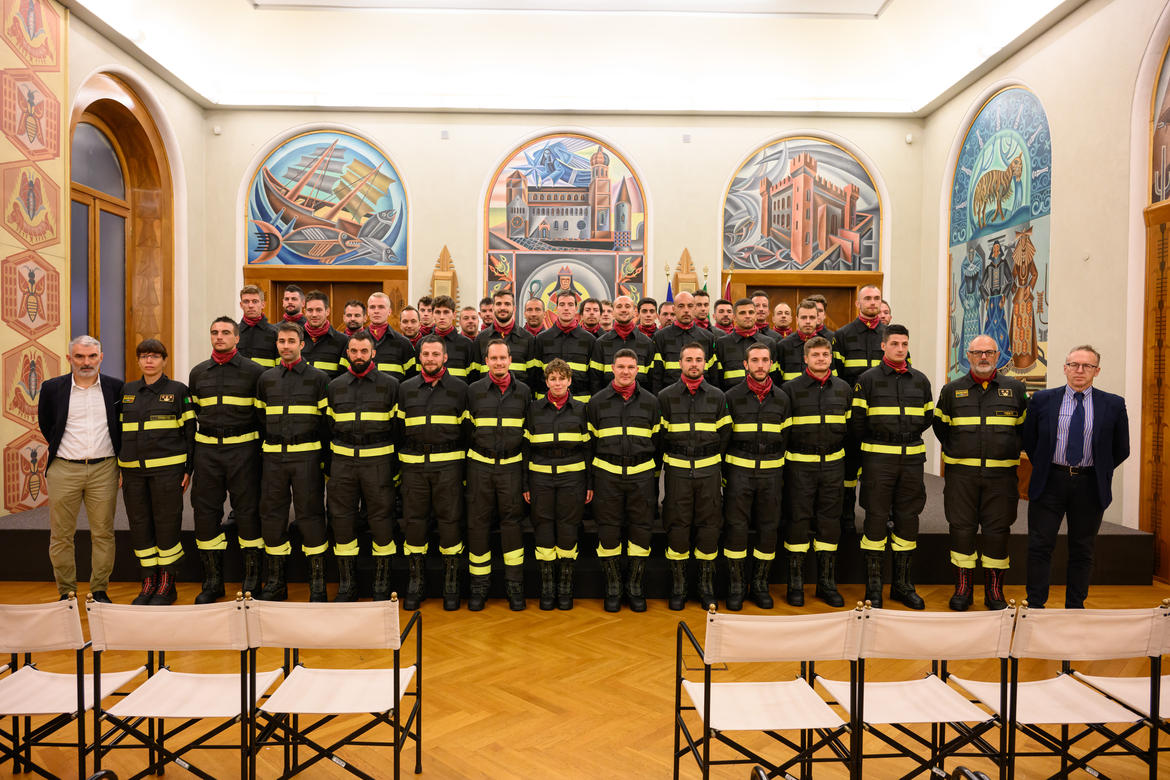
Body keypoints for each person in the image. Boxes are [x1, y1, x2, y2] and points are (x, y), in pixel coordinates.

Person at [1022, 345, 1130, 609]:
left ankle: (1075, 607)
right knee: (1040, 545)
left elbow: (1121, 448)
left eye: (1087, 366)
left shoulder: (1113, 404)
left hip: (1089, 485)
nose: (1079, 371)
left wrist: (1097, 469)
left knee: (1082, 549)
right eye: (1074, 365)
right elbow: (1030, 440)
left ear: (1097, 371)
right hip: (1050, 482)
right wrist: (1048, 467)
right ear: (1065, 368)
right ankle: (1035, 605)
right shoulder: (1042, 400)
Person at [933, 335, 1027, 611]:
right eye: (977, 353)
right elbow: (941, 428)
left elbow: (1025, 429)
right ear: (968, 356)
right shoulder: (952, 391)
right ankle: (963, 590)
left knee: (998, 532)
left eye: (988, 353)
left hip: (1002, 479)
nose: (983, 357)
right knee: (961, 530)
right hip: (961, 478)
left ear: (997, 356)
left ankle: (994, 591)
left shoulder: (1015, 389)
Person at [850, 324, 933, 610]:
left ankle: (902, 585)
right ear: (883, 346)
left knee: (908, 519)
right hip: (878, 460)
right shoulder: (867, 380)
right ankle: (873, 587)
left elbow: (926, 418)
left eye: (904, 344)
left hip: (911, 460)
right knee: (875, 519)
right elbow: (857, 422)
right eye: (895, 343)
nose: (900, 348)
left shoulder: (920, 380)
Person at [38, 335, 122, 602]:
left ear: (101, 358)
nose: (86, 362)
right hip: (64, 469)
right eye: (80, 356)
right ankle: (67, 592)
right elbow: (47, 425)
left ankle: (99, 590)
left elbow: (119, 427)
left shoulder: (116, 388)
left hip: (104, 469)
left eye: (91, 356)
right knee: (61, 535)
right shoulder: (52, 388)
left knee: (103, 533)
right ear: (69, 358)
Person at [188, 317, 266, 603]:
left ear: (237, 338)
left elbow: (261, 416)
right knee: (205, 514)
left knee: (247, 513)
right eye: (214, 333)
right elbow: (195, 413)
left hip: (244, 451)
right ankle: (212, 581)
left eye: (225, 333)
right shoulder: (198, 373)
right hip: (207, 452)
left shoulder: (254, 373)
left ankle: (252, 578)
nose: (219, 337)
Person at [256, 322, 331, 602]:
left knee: (310, 517)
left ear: (302, 344)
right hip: (274, 458)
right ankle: (276, 582)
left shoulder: (319, 379)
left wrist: (324, 461)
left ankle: (318, 584)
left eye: (291, 341)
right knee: (272, 518)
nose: (285, 346)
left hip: (307, 458)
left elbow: (326, 424)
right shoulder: (266, 379)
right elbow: (260, 419)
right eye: (281, 341)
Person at [118, 339, 195, 605]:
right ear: (138, 360)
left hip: (168, 473)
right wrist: (119, 465)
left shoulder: (177, 391)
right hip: (132, 474)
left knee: (167, 526)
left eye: (154, 356)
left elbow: (190, 433)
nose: (148, 360)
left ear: (164, 360)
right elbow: (118, 433)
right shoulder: (127, 391)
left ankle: (166, 583)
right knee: (140, 527)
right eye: (143, 356)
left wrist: (189, 469)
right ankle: (148, 580)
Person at [326, 330, 400, 602]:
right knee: (342, 521)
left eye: (364, 351)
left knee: (381, 521)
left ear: (373, 353)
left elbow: (398, 429)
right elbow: (328, 428)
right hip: (343, 463)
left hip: (378, 463)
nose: (359, 356)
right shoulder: (334, 386)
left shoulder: (391, 385)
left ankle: (382, 584)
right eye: (354, 351)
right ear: (347, 353)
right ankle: (348, 584)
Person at [399, 336, 470, 610]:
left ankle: (450, 584)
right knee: (414, 523)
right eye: (425, 353)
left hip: (448, 466)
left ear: (445, 358)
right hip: (414, 466)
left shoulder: (460, 389)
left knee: (450, 523)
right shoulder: (405, 389)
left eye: (435, 354)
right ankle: (416, 584)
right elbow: (398, 430)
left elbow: (467, 432)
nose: (430, 358)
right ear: (420, 357)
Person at [588, 349, 662, 612]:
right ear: (612, 369)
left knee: (641, 530)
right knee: (608, 531)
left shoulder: (652, 402)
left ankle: (635, 587)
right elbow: (591, 444)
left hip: (641, 476)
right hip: (607, 476)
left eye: (631, 367)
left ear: (638, 370)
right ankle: (613, 587)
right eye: (621, 367)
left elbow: (657, 441)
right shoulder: (596, 403)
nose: (626, 371)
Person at [781, 336, 851, 608]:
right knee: (798, 521)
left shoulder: (844, 389)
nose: (821, 359)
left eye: (825, 354)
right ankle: (795, 583)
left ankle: (826, 583)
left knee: (829, 523)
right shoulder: (790, 390)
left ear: (831, 357)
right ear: (806, 359)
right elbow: (784, 431)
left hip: (833, 466)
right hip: (800, 466)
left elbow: (850, 430)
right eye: (816, 355)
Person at [659, 343, 730, 609]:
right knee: (677, 526)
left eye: (698, 359)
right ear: (680, 363)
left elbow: (725, 435)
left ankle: (705, 586)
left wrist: (708, 457)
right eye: (688, 359)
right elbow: (660, 437)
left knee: (709, 527)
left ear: (705, 364)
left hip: (708, 471)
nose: (694, 364)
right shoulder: (665, 397)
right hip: (677, 472)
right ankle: (679, 588)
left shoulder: (717, 396)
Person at [722, 342, 790, 610]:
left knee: (768, 528)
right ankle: (737, 586)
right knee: (736, 529)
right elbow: (725, 438)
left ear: (771, 364)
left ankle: (760, 585)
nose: (760, 365)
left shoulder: (783, 398)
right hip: (739, 473)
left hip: (771, 474)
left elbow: (785, 437)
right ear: (745, 365)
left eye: (765, 360)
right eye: (755, 360)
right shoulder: (730, 397)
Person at [466, 340, 532, 611]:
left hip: (512, 468)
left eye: (503, 358)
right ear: (486, 361)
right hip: (480, 467)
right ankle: (479, 588)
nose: (499, 363)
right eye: (493, 359)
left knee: (512, 526)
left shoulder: (524, 392)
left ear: (510, 359)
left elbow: (528, 437)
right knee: (478, 526)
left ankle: (514, 588)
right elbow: (464, 432)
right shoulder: (473, 391)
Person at [525, 359, 592, 610]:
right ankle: (547, 588)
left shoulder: (581, 409)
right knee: (543, 527)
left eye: (562, 378)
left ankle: (565, 587)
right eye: (552, 379)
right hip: (540, 479)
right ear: (546, 381)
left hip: (572, 479)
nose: (557, 383)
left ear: (570, 381)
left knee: (568, 527)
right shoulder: (533, 409)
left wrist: (589, 483)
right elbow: (525, 449)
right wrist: (525, 484)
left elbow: (588, 448)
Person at [832, 285, 886, 537]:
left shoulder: (889, 334)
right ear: (858, 303)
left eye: (877, 298)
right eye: (868, 298)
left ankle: (879, 516)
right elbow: (836, 378)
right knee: (849, 470)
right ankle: (846, 515)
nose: (873, 302)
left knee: (877, 472)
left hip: (882, 417)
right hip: (853, 416)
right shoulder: (842, 335)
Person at [533, 290, 596, 398]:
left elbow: (594, 378)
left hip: (580, 406)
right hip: (547, 407)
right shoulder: (541, 339)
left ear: (576, 309)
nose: (566, 308)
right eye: (562, 304)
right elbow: (535, 375)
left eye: (570, 304)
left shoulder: (589, 340)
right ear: (556, 308)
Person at [590, 294, 657, 392]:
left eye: (627, 306)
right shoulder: (601, 343)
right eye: (619, 306)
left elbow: (652, 380)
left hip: (638, 403)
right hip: (608, 402)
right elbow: (595, 380)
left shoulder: (647, 343)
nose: (623, 310)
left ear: (634, 312)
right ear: (613, 312)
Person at [651, 291, 714, 391]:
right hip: (670, 397)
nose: (686, 310)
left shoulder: (707, 337)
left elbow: (713, 374)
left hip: (701, 396)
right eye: (681, 306)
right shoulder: (660, 337)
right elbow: (656, 375)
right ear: (674, 309)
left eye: (690, 306)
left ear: (695, 308)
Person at [474, 288, 535, 384]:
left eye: (507, 304)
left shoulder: (528, 339)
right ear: (493, 308)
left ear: (514, 308)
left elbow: (533, 376)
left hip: (518, 397)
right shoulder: (480, 339)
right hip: (487, 397)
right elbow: (475, 375)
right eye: (498, 304)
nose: (502, 308)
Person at [712, 298, 774, 390]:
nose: (747, 316)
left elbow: (774, 377)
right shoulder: (722, 343)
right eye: (742, 313)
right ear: (734, 317)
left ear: (756, 315)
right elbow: (717, 378)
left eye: (751, 312)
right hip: (731, 399)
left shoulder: (769, 343)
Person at [367, 292, 417, 381]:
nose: (376, 311)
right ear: (368, 311)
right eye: (372, 307)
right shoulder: (356, 341)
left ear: (389, 311)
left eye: (381, 307)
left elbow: (412, 378)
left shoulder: (403, 343)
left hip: (393, 394)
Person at [301, 290, 348, 377]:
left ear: (327, 311)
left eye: (319, 310)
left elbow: (344, 376)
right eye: (310, 310)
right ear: (304, 312)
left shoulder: (343, 341)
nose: (314, 314)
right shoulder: (296, 338)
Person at [430, 296, 477, 382]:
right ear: (432, 314)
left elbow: (473, 378)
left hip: (459, 394)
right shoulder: (423, 343)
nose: (442, 317)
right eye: (437, 312)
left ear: (454, 315)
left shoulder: (467, 344)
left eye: (446, 312)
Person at [775, 300, 821, 381]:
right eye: (803, 317)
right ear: (797, 319)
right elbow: (777, 379)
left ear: (817, 319)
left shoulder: (824, 345)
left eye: (812, 317)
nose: (808, 321)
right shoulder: (783, 345)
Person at [238, 284, 278, 368]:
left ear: (263, 304)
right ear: (241, 305)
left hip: (265, 380)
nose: (250, 305)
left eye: (255, 301)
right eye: (246, 301)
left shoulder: (275, 333)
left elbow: (280, 366)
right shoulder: (234, 332)